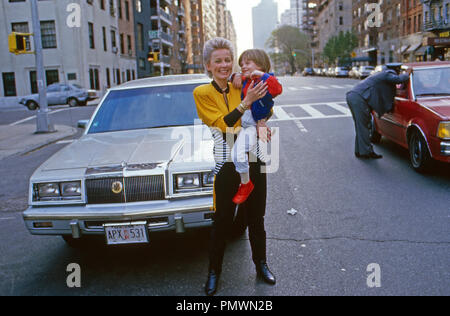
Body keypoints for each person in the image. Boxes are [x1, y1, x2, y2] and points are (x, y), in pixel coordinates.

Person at [193, 38, 276, 296]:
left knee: (256, 219)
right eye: (217, 61)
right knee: (221, 221)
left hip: (254, 158)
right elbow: (224, 124)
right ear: (208, 65)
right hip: (227, 164)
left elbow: (266, 103)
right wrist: (245, 102)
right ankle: (214, 272)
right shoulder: (202, 94)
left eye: (228, 59)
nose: (224, 65)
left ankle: (261, 265)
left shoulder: (242, 83)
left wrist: (262, 120)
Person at [231, 49, 283, 205]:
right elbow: (226, 78)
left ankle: (245, 185)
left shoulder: (266, 80)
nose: (243, 66)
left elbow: (277, 89)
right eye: (241, 64)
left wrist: (261, 74)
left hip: (252, 126)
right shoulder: (247, 79)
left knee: (237, 154)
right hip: (245, 122)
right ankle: (245, 183)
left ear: (260, 64)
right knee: (237, 155)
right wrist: (235, 76)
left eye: (247, 63)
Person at [346, 63, 412, 159]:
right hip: (359, 98)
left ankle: (360, 151)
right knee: (364, 126)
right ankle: (366, 152)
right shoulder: (387, 74)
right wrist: (407, 74)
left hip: (355, 97)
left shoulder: (381, 74)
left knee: (361, 126)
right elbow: (398, 80)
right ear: (395, 70)